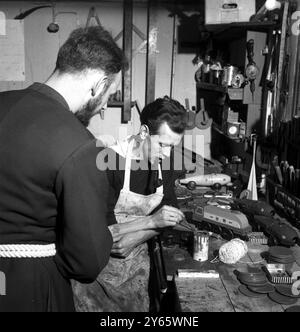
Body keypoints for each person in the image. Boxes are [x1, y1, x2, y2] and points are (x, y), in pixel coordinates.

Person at [0, 26, 128, 312]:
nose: (104, 106)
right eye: (110, 93)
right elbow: (85, 261)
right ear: (99, 83)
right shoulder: (80, 145)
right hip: (30, 288)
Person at [72, 96, 187, 312]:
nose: (167, 154)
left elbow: (170, 213)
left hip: (137, 264)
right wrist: (153, 221)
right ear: (144, 132)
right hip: (98, 269)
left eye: (173, 146)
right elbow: (103, 230)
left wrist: (137, 237)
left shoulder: (166, 162)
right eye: (162, 144)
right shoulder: (108, 161)